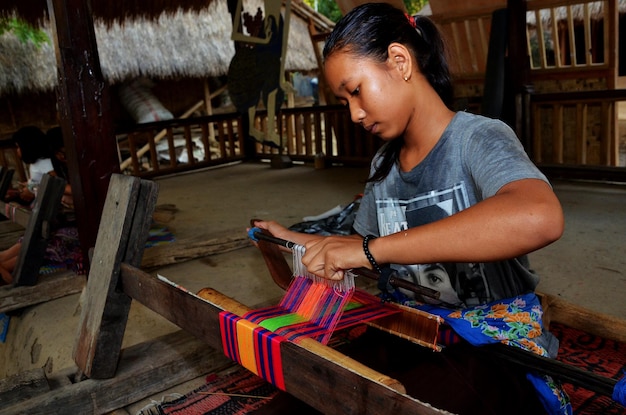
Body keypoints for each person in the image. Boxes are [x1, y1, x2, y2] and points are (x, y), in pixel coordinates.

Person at [252, 4, 568, 414]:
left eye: (356, 91)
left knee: (400, 405)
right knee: (311, 396)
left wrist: (372, 250)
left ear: (399, 61)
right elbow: (359, 247)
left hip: (491, 344)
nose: (354, 113)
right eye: (344, 100)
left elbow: (539, 216)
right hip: (409, 329)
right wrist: (292, 240)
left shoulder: (478, 138)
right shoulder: (383, 166)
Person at [9, 126, 55, 206]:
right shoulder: (35, 163)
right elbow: (38, 182)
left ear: (27, 146)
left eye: (18, 147)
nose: (17, 150)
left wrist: (32, 191)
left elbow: (58, 186)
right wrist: (28, 186)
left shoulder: (44, 163)